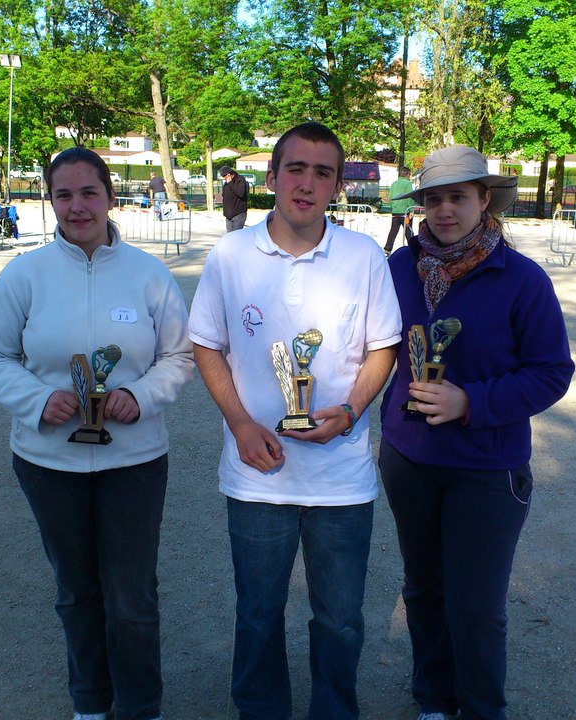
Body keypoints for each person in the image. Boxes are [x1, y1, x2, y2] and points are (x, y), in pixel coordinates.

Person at [188, 121, 402, 720]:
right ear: (272, 177)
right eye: (296, 169)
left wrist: (353, 409)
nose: (307, 183)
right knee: (257, 611)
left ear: (337, 185)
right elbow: (206, 343)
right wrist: (239, 423)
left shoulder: (362, 256)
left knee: (339, 619)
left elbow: (383, 345)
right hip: (258, 473)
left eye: (323, 172)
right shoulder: (231, 256)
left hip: (341, 479)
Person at [0, 146, 194, 720]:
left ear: (110, 197)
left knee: (132, 599)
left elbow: (179, 356)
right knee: (76, 592)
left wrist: (139, 397)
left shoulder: (149, 275)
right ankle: (91, 703)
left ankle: (141, 706)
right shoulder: (24, 274)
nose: (77, 206)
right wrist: (39, 399)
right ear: (51, 201)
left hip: (135, 464)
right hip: (48, 465)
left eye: (88, 192)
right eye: (63, 194)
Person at [378, 145, 575, 720]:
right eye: (433, 198)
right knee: (424, 591)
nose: (444, 210)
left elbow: (551, 372)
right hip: (409, 459)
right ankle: (434, 701)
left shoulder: (522, 279)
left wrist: (472, 401)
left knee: (477, 605)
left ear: (484, 200)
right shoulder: (396, 270)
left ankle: (481, 708)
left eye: (458, 197)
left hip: (487, 467)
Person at [384, 166, 415, 256]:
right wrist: (411, 209)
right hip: (405, 212)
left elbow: (390, 197)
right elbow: (409, 196)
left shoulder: (394, 183)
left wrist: (392, 206)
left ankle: (387, 249)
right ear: (407, 174)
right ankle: (413, 248)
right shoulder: (407, 183)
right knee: (408, 230)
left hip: (395, 212)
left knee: (393, 231)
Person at [218, 165, 248, 232]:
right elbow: (224, 195)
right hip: (228, 215)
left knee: (236, 237)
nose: (223, 178)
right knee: (229, 237)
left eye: (224, 176)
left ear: (228, 175)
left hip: (238, 214)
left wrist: (230, 183)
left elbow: (241, 193)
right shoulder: (226, 183)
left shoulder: (240, 179)